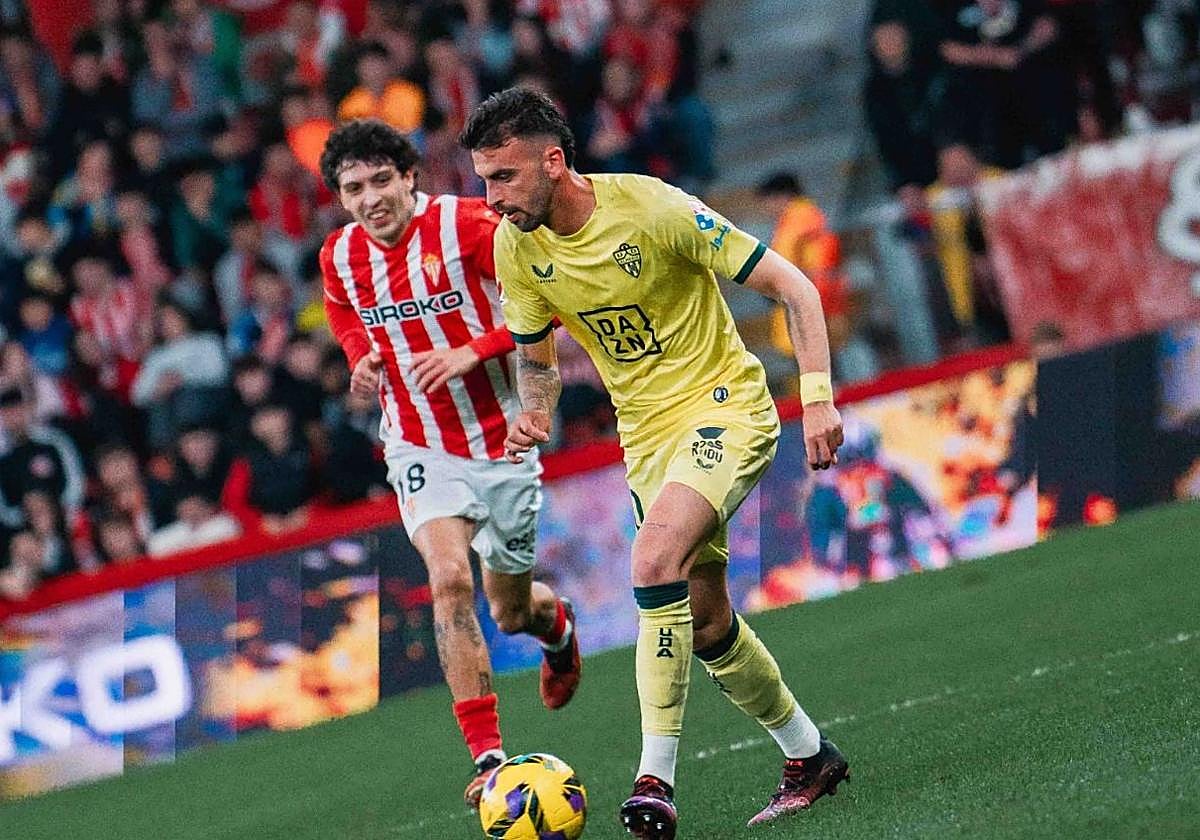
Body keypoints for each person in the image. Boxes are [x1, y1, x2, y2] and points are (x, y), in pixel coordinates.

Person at [461, 87, 849, 838]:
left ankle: (653, 784)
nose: (492, 197)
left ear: (553, 160)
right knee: (704, 621)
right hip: (646, 439)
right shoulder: (517, 244)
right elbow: (533, 359)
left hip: (723, 406)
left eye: (502, 177)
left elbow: (793, 286)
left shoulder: (653, 209)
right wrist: (535, 409)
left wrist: (820, 396)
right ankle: (809, 755)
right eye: (483, 180)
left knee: (653, 557)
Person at [316, 118, 582, 808]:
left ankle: (557, 630)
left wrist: (476, 349)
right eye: (354, 188)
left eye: (381, 180)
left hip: (503, 442)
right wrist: (359, 358)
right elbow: (343, 311)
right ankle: (490, 758)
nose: (370, 197)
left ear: (409, 177)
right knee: (447, 582)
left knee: (512, 609)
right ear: (341, 199)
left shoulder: (468, 225)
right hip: (418, 440)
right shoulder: (340, 256)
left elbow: (548, 302)